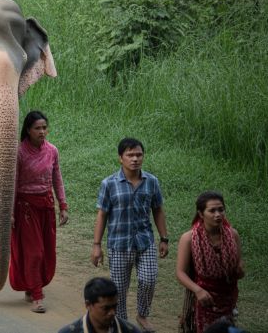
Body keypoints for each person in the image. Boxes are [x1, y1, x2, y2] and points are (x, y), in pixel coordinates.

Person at [91, 138, 169, 332]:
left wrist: (164, 238)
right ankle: (121, 322)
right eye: (130, 155)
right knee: (119, 289)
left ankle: (142, 314)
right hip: (118, 244)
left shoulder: (151, 181)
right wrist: (96, 245)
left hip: (145, 241)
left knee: (148, 279)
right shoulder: (109, 183)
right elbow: (102, 214)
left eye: (139, 155)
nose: (135, 159)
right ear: (120, 158)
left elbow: (158, 209)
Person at [9, 110, 69, 312]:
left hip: (46, 206)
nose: (42, 131)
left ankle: (31, 286)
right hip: (25, 208)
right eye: (37, 128)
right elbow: (13, 183)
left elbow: (57, 179)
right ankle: (37, 297)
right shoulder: (19, 152)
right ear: (28, 130)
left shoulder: (52, 151)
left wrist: (63, 205)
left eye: (44, 127)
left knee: (46, 253)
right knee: (35, 253)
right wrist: (10, 212)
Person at [176, 191, 244, 333]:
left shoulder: (233, 235)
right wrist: (198, 291)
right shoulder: (189, 239)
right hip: (203, 299)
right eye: (212, 211)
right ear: (201, 214)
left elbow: (239, 265)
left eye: (221, 209)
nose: (218, 214)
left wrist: (239, 270)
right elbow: (180, 273)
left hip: (228, 297)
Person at [57, 277, 140, 333]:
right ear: (88, 305)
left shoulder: (131, 331)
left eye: (114, 306)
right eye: (106, 308)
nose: (112, 312)